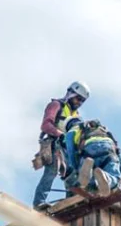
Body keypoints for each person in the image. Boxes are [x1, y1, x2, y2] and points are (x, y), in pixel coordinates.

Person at [32, 81, 90, 209]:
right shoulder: (56, 105)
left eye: (82, 101)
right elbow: (46, 125)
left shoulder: (76, 116)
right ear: (71, 93)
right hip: (55, 145)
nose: (79, 103)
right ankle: (38, 203)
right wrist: (61, 135)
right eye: (78, 98)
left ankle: (71, 203)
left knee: (73, 177)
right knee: (51, 172)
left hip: (68, 151)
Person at [64, 117, 121, 197]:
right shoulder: (102, 128)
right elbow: (118, 153)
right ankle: (107, 178)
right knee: (115, 178)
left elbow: (71, 152)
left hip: (88, 150)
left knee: (89, 183)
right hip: (108, 149)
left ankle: (89, 175)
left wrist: (76, 169)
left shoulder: (72, 131)